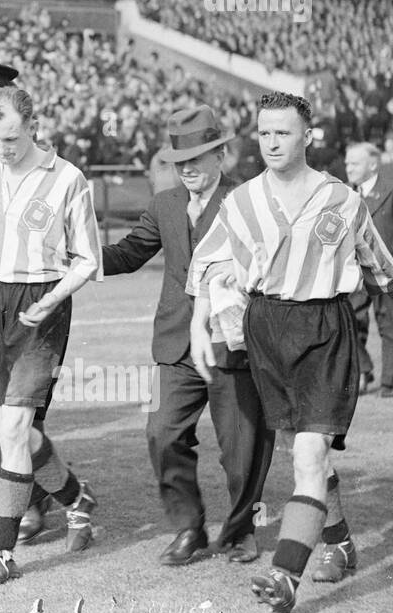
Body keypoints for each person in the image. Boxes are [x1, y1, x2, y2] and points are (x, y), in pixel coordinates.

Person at [187, 92, 393, 613]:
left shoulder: (342, 200)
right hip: (266, 329)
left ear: (307, 136)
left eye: (283, 132)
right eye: (264, 132)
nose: (272, 142)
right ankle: (342, 542)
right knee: (302, 452)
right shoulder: (241, 203)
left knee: (308, 453)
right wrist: (198, 327)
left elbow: (382, 266)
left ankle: (283, 576)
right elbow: (206, 267)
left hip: (324, 328)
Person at [102, 105, 273, 566]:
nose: (188, 169)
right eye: (180, 162)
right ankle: (188, 527)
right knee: (161, 434)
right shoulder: (165, 204)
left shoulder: (247, 203)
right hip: (175, 346)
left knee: (241, 448)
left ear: (222, 155)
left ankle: (240, 532)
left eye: (198, 158)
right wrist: (78, 257)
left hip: (232, 346)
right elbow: (130, 253)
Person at [0, 86, 102, 586]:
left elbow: (87, 260)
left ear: (33, 126)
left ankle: (0, 554)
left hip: (41, 308)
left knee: (12, 429)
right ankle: (76, 498)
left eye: (11, 137)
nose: (2, 147)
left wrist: (52, 299)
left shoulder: (68, 179)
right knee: (11, 429)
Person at [344, 142, 393, 398]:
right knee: (345, 319)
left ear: (372, 165)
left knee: (390, 324)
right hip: (355, 272)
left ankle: (391, 382)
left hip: (387, 269)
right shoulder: (346, 196)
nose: (348, 168)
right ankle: (364, 368)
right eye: (347, 163)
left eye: (354, 163)